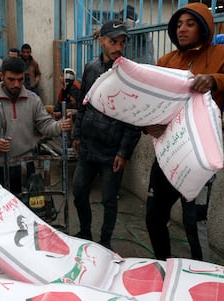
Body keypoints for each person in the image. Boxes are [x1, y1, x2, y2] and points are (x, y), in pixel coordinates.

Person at [143, 3, 224, 261]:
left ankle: (201, 277)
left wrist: (215, 79)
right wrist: (147, 125)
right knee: (154, 216)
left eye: (190, 23)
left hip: (199, 155)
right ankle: (165, 267)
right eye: (178, 24)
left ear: (204, 26)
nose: (182, 29)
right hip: (167, 151)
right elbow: (152, 102)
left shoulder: (223, 54)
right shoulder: (167, 61)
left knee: (193, 222)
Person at [72, 20, 141, 250]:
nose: (118, 47)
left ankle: (105, 242)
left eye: (122, 42)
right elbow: (83, 103)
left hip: (112, 151)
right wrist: (77, 133)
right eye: (113, 41)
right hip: (89, 146)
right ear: (101, 40)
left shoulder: (130, 73)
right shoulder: (91, 68)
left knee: (109, 201)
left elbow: (134, 117)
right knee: (79, 192)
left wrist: (124, 151)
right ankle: (85, 232)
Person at [0, 57, 72, 193]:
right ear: (2, 76)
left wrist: (60, 126)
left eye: (20, 79)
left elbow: (45, 124)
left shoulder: (33, 99)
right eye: (11, 80)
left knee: (28, 209)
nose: (16, 84)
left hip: (26, 165)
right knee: (4, 211)